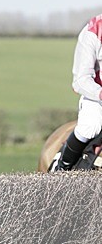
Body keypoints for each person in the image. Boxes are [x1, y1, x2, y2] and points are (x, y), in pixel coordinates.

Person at [51, 14, 102, 171]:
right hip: (97, 97)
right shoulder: (93, 31)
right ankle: (62, 169)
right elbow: (81, 80)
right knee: (91, 126)